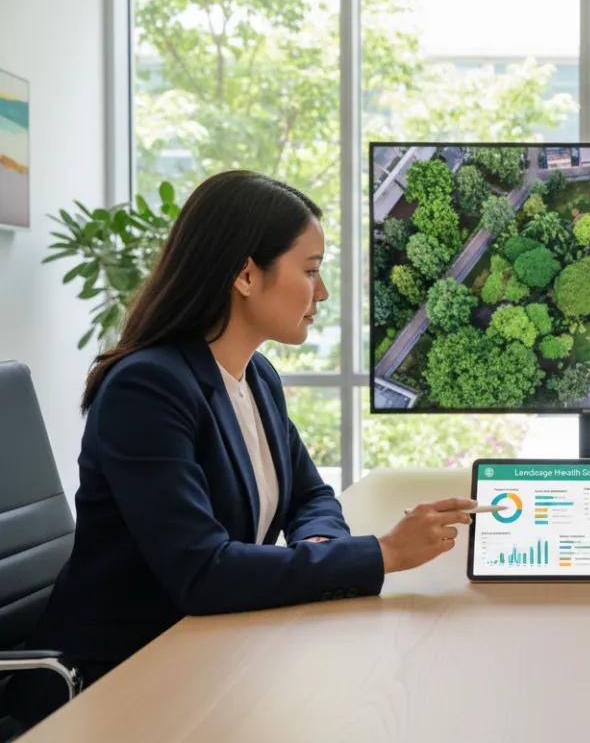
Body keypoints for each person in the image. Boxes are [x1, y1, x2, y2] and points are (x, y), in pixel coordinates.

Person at [4, 171, 476, 731]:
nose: (321, 293)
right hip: (118, 683)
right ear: (247, 275)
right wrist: (384, 553)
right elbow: (202, 572)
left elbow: (309, 494)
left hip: (208, 651)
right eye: (310, 270)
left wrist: (321, 544)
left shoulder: (255, 375)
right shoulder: (147, 389)